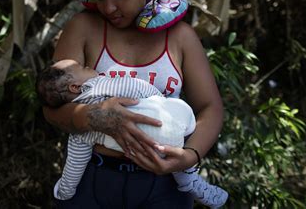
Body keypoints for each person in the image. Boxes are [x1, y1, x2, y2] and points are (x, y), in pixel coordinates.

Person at [42, 0, 224, 208]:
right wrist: (95, 117)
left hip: (163, 187)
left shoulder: (180, 38)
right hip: (93, 180)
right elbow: (51, 106)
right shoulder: (82, 29)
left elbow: (210, 107)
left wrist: (188, 157)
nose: (109, 7)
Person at [37, 59, 228, 207]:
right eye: (82, 67)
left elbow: (75, 163)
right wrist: (158, 99)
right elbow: (133, 86)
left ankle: (187, 177)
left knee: (161, 149)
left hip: (131, 157)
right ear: (75, 87)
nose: (86, 66)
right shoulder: (100, 84)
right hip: (163, 124)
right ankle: (190, 181)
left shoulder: (81, 132)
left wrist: (65, 190)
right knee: (173, 149)